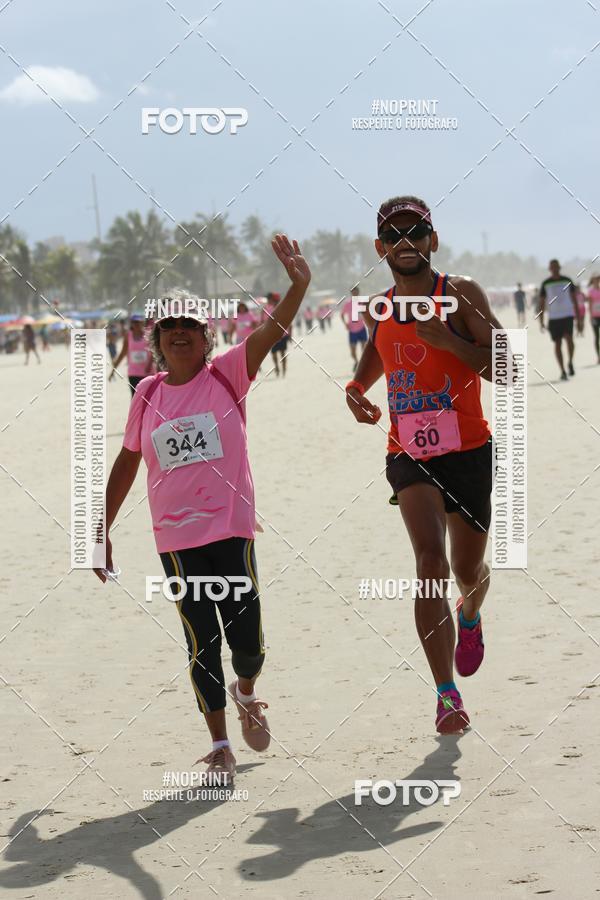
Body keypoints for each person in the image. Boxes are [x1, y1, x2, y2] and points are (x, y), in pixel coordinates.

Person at [94, 236, 311, 780]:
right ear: (158, 342)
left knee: (248, 640)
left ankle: (247, 691)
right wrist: (99, 526)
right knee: (200, 642)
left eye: (190, 325)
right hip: (176, 538)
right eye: (170, 328)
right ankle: (218, 744)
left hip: (231, 528)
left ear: (205, 335)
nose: (181, 333)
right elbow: (127, 464)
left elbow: (271, 329)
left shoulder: (228, 375)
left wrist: (299, 284)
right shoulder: (146, 394)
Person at [346, 195, 503, 734]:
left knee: (467, 571)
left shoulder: (461, 294)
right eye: (393, 234)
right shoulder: (380, 306)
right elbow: (377, 354)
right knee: (429, 560)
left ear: (432, 240)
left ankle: (472, 612)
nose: (405, 242)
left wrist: (453, 342)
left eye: (415, 231)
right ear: (380, 248)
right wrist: (355, 387)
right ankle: (445, 693)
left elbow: (506, 366)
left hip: (469, 450)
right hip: (408, 452)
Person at [538, 259, 583, 381]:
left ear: (559, 267)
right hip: (554, 318)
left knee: (569, 340)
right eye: (552, 267)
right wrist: (541, 320)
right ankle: (562, 370)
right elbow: (541, 303)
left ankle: (570, 362)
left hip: (568, 315)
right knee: (557, 343)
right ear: (549, 269)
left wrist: (579, 319)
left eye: (556, 266)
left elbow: (574, 300)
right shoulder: (545, 283)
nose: (554, 269)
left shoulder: (567, 280)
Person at [109, 314, 154, 395]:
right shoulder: (128, 336)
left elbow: (154, 351)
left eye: (138, 322)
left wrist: (149, 364)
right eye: (134, 322)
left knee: (149, 398)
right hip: (133, 374)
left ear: (142, 323)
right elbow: (122, 353)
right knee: (135, 398)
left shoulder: (148, 334)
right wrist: (113, 371)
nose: (136, 324)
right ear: (131, 324)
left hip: (148, 373)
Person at [262, 292, 291, 376]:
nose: (269, 300)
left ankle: (284, 369)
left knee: (283, 353)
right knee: (274, 354)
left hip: (283, 334)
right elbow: (263, 322)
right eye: (268, 299)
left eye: (270, 299)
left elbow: (288, 320)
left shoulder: (283, 308)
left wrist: (289, 334)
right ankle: (277, 368)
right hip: (271, 336)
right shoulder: (265, 309)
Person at [341, 286, 369, 370]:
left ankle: (361, 365)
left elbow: (368, 314)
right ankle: (356, 362)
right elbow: (342, 314)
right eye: (353, 292)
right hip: (352, 330)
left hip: (362, 329)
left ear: (358, 292)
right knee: (352, 352)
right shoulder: (347, 304)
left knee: (364, 349)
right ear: (351, 293)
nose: (355, 294)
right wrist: (345, 324)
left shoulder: (363, 302)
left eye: (356, 292)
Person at [587, 274, 600, 363]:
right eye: (595, 280)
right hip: (595, 316)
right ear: (592, 281)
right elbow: (590, 304)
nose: (597, 281)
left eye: (598, 280)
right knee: (597, 337)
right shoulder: (591, 291)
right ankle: (598, 356)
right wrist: (591, 316)